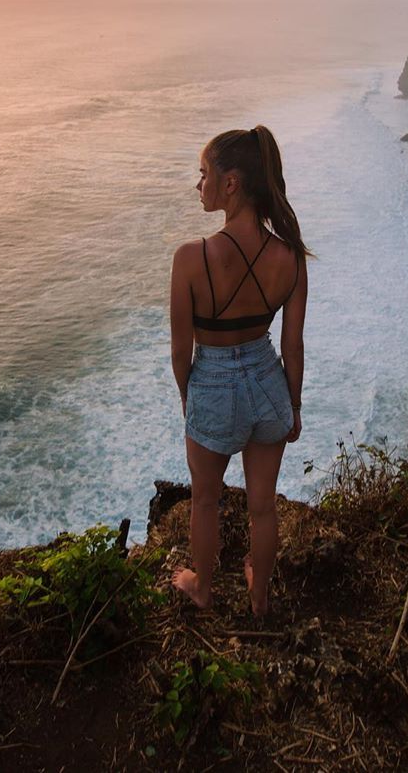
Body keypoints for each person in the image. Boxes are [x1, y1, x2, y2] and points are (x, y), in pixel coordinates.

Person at [169, 125, 309, 617]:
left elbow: (180, 350)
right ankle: (259, 598)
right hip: (268, 381)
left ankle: (203, 589)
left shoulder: (190, 259)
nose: (199, 183)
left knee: (205, 501)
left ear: (230, 184)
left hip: (212, 383)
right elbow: (292, 345)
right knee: (263, 506)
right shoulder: (289, 255)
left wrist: (192, 401)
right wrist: (291, 406)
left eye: (204, 174)